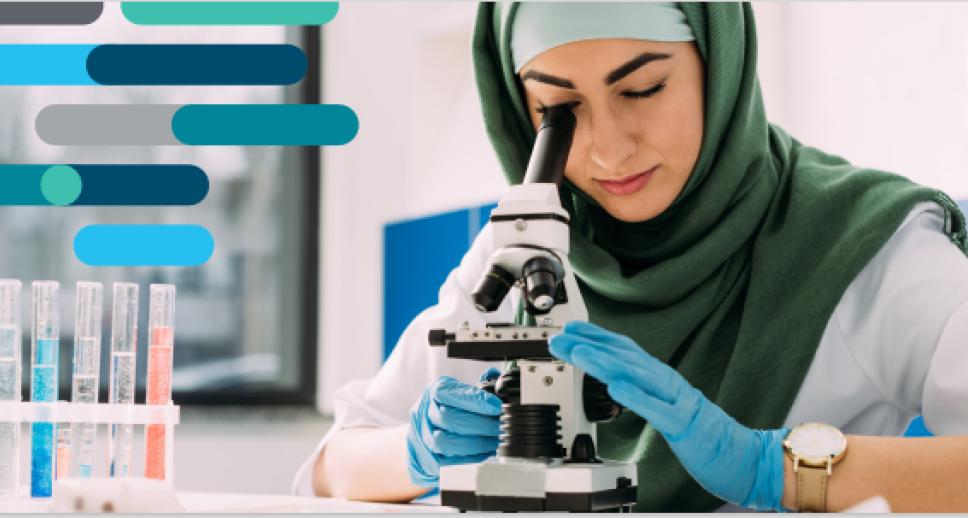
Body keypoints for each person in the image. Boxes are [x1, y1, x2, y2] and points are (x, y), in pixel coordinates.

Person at [294, 2, 968, 512]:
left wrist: (771, 468)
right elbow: (328, 467)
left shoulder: (867, 245)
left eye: (643, 90)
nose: (609, 150)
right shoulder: (534, 244)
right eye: (559, 108)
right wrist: (414, 455)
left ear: (719, 61)